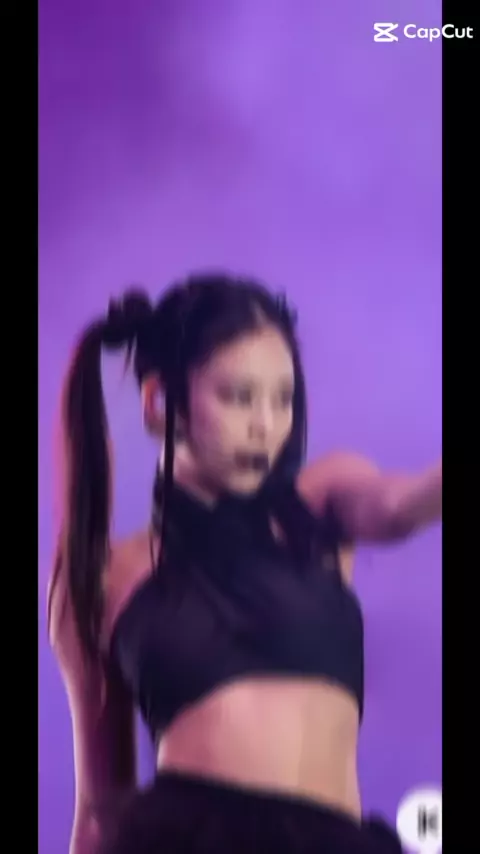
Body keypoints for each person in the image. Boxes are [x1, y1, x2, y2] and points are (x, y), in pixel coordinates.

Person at [48, 273, 441, 854]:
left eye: (284, 399)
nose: (267, 425)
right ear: (159, 403)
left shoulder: (318, 505)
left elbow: (399, 506)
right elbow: (97, 810)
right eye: (239, 397)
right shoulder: (106, 577)